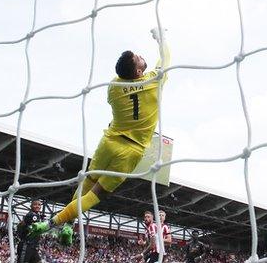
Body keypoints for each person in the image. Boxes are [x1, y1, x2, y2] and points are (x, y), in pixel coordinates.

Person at [30, 28, 170, 240]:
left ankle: (67, 225)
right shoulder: (153, 81)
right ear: (139, 72)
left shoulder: (113, 87)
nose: (141, 57)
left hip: (109, 142)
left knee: (86, 183)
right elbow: (166, 59)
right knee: (95, 194)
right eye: (138, 58)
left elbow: (126, 85)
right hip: (130, 152)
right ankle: (54, 222)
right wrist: (162, 38)